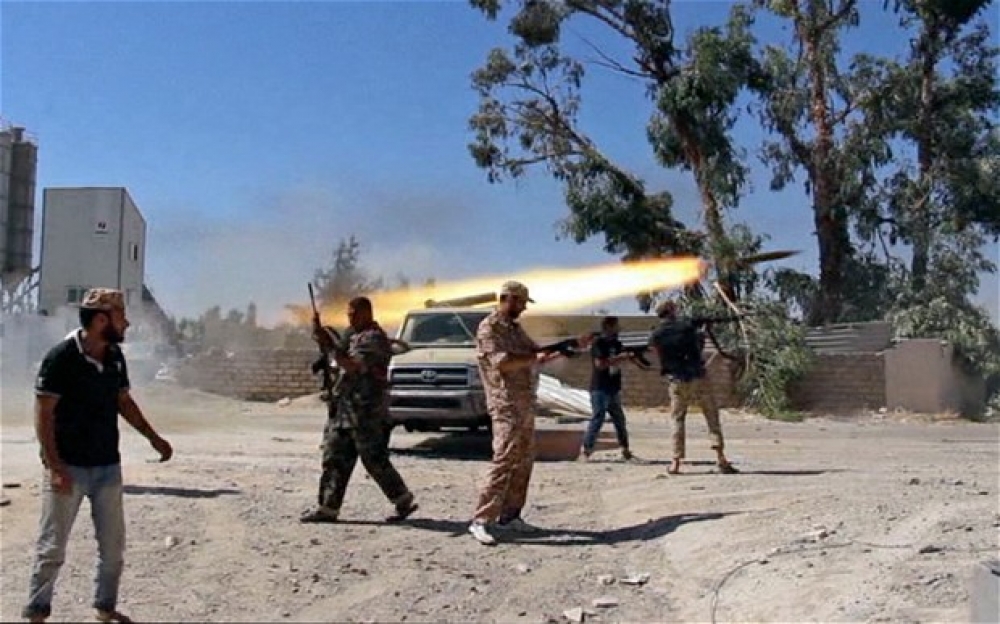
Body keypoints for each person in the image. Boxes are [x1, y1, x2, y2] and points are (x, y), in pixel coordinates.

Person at [23, 288, 174, 624]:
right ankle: (36, 611)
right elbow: (44, 413)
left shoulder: (115, 358)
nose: (128, 323)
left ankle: (105, 607)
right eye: (121, 316)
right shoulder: (61, 358)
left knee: (113, 548)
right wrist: (54, 464)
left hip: (107, 466)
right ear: (102, 320)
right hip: (69, 468)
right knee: (52, 549)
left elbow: (123, 402)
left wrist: (153, 438)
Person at [300, 296, 418, 524]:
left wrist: (332, 347)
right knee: (334, 456)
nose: (349, 318)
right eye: (348, 314)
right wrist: (320, 335)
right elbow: (336, 352)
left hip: (367, 411)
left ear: (366, 313)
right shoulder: (352, 335)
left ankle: (402, 500)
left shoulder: (374, 339)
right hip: (345, 408)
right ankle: (327, 508)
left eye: (353, 314)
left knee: (374, 459)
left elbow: (352, 366)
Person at [468, 281, 565, 546]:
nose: (523, 307)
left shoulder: (514, 328)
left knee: (523, 459)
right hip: (504, 404)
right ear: (507, 298)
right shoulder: (490, 328)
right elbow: (503, 363)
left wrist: (566, 346)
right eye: (520, 302)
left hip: (523, 403)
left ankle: (510, 516)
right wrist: (535, 358)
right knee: (504, 459)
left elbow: (531, 350)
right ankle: (481, 520)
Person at [649, 299, 739, 475]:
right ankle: (721, 458)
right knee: (711, 416)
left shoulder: (657, 334)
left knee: (677, 420)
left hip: (676, 380)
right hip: (698, 377)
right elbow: (697, 345)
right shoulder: (687, 327)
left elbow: (657, 352)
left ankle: (675, 462)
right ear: (671, 310)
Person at [580, 316, 635, 461]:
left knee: (619, 419)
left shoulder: (617, 344)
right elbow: (600, 364)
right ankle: (586, 450)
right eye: (616, 326)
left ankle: (625, 449)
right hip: (600, 388)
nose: (619, 328)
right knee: (598, 417)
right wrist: (620, 358)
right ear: (609, 327)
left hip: (613, 388)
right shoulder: (599, 344)